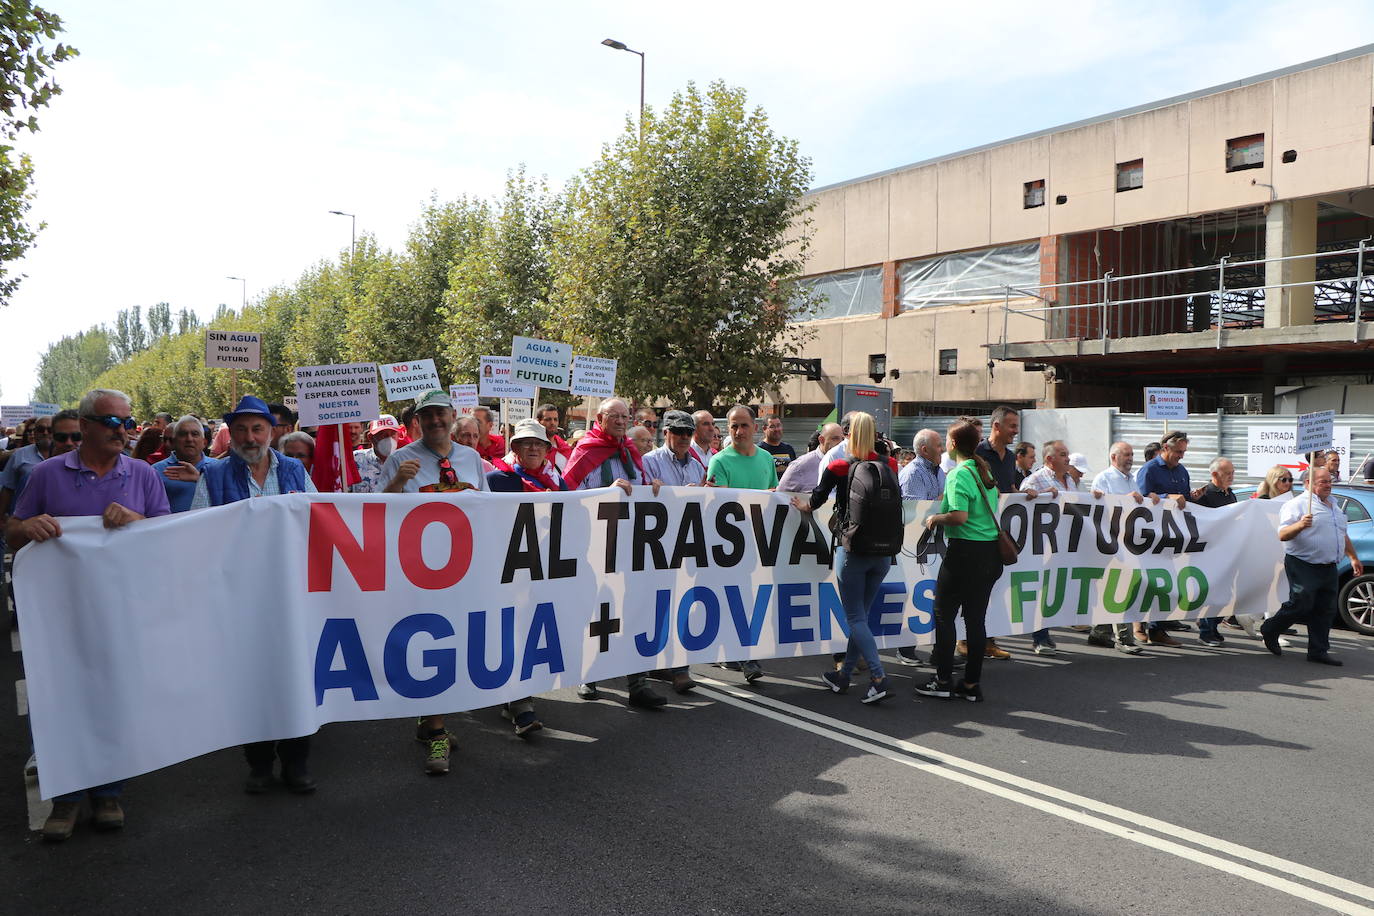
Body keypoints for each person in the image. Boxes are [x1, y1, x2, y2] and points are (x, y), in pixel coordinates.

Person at [6, 388, 171, 841]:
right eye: (113, 422)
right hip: (62, 611)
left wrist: (137, 521)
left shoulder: (143, 474)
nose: (124, 430)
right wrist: (27, 527)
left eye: (127, 421)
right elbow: (13, 531)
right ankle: (66, 797)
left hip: (122, 607)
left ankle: (108, 792)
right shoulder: (45, 474)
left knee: (114, 694)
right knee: (60, 693)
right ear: (87, 426)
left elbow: (168, 536)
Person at [190, 396, 319, 793]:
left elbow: (319, 519)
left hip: (292, 592)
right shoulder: (211, 475)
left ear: (270, 431)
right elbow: (195, 530)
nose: (250, 437)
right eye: (242, 429)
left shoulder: (295, 469)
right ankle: (260, 764)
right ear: (232, 434)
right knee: (252, 681)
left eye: (257, 429)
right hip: (241, 597)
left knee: (298, 675)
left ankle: (296, 763)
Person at [380, 390, 490, 773]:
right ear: (418, 422)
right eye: (427, 417)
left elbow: (488, 510)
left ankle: (430, 722)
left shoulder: (472, 458)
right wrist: (396, 483)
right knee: (431, 646)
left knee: (458, 644)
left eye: (441, 414)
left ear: (451, 414)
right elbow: (376, 515)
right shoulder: (399, 459)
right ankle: (438, 732)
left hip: (465, 570)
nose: (435, 422)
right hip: (419, 572)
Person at [563, 397, 669, 708]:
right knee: (596, 611)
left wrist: (654, 486)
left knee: (632, 610)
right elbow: (567, 493)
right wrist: (604, 493)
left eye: (625, 416)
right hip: (596, 547)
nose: (622, 421)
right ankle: (588, 675)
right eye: (615, 416)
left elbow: (639, 488)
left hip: (630, 545)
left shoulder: (631, 452)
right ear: (600, 418)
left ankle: (637, 684)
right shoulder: (585, 449)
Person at [794, 412, 897, 704]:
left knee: (854, 617)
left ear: (850, 435)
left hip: (852, 550)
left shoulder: (839, 466)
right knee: (860, 617)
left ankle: (878, 677)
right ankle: (843, 676)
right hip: (884, 554)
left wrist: (803, 504)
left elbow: (814, 501)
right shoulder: (889, 464)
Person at [484, 417, 566, 736]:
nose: (533, 448)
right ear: (514, 448)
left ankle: (514, 698)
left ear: (547, 450)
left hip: (543, 573)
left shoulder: (556, 481)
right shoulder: (496, 480)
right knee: (512, 633)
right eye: (526, 443)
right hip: (506, 574)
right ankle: (520, 704)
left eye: (539, 444)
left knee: (531, 634)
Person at [916, 420, 1007, 704]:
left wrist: (934, 518)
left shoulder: (958, 474)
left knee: (944, 616)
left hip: (965, 553)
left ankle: (943, 680)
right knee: (976, 620)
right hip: (989, 553)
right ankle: (970, 683)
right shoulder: (984, 470)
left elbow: (959, 517)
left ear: (953, 444)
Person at [1262, 467, 1362, 666]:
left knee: (1325, 609)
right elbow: (1282, 535)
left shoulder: (1334, 505)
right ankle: (1271, 628)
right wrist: (1300, 525)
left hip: (1329, 565)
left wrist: (1353, 557)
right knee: (1301, 603)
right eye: (1323, 481)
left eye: (1329, 481)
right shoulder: (1297, 505)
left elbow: (1342, 534)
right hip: (1303, 563)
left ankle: (1318, 651)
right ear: (1308, 483)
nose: (1328, 485)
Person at [972, 407, 1035, 660]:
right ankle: (968, 641)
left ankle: (986, 640)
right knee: (974, 590)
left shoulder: (1009, 458)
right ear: (996, 426)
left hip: (998, 535)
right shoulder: (976, 453)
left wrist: (1023, 493)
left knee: (991, 589)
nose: (1016, 431)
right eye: (1011, 426)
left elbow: (1009, 489)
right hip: (976, 533)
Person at [1083, 441, 1151, 655]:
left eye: (1132, 454)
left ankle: (1100, 632)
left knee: (1123, 588)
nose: (1130, 458)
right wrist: (1125, 500)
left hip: (1130, 542)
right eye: (1126, 454)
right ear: (1114, 457)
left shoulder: (1132, 480)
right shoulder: (1103, 478)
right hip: (1111, 544)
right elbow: (1099, 508)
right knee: (1122, 588)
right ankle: (1124, 638)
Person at [1017, 439, 1079, 656]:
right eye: (1063, 454)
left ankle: (1046, 634)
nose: (1068, 458)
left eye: (1067, 453)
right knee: (1042, 590)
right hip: (1043, 546)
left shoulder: (1070, 480)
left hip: (1066, 545)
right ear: (1050, 459)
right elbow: (1020, 506)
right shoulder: (1035, 480)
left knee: (1055, 588)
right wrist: (1035, 496)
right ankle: (1040, 638)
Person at [1132, 431, 1192, 647]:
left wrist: (1193, 498)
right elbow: (1141, 500)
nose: (1181, 456)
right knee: (1147, 582)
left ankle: (1157, 629)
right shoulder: (1148, 470)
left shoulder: (1182, 471)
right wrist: (1167, 498)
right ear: (1165, 448)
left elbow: (1186, 498)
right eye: (1178, 452)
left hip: (1172, 537)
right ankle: (1138, 623)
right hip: (1149, 537)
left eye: (1184, 452)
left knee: (1167, 583)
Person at [1187, 457, 1237, 647]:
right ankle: (1206, 632)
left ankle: (1213, 627)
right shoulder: (1204, 495)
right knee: (1211, 593)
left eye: (1233, 472)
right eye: (1227, 473)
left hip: (1226, 551)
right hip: (1208, 552)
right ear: (1214, 474)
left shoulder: (1230, 494)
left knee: (1225, 593)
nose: (1231, 476)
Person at [151, 415, 212, 513]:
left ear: (204, 442)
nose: (189, 439)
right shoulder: (155, 471)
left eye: (195, 434)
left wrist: (199, 479)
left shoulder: (219, 468)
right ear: (174, 441)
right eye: (183, 434)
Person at [777, 423, 844, 494]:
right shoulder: (800, 466)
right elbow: (781, 496)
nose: (840, 443)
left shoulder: (847, 463)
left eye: (843, 439)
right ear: (821, 440)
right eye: (835, 438)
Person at [352, 415, 402, 494]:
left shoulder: (406, 461)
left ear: (398, 436)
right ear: (370, 437)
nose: (389, 439)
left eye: (393, 434)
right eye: (383, 435)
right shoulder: (354, 460)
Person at [536, 404, 572, 469]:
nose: (552, 423)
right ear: (538, 421)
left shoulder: (565, 448)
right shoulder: (532, 448)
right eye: (548, 419)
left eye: (555, 419)